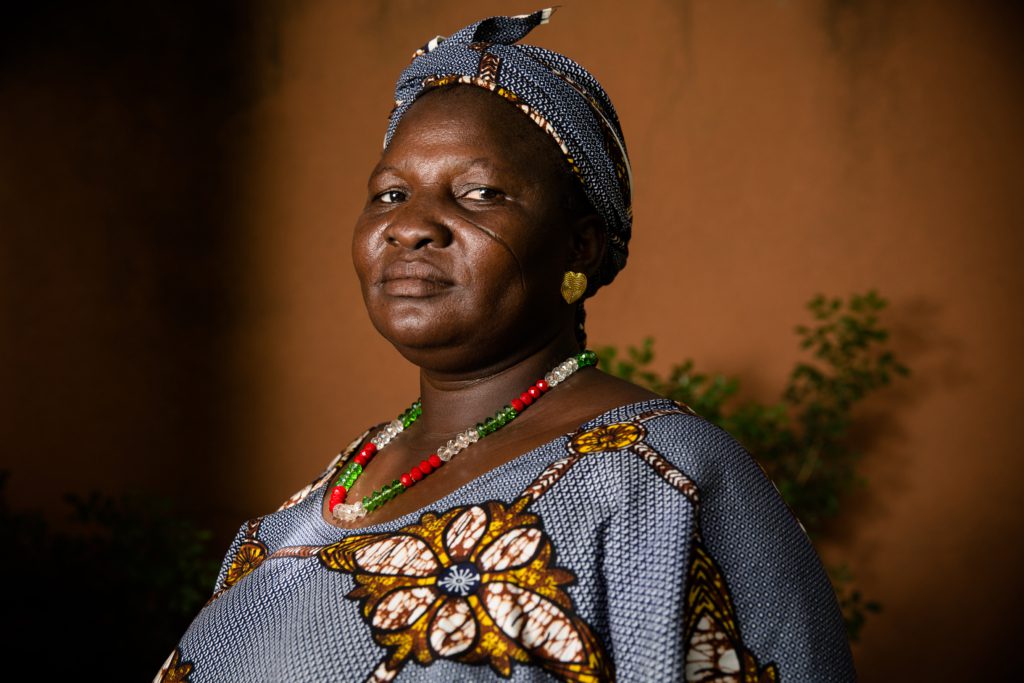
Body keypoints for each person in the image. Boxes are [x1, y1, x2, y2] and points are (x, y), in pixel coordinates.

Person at [159, 9, 855, 682]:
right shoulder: (320, 501)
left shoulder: (663, 481)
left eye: (479, 192)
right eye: (390, 193)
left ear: (578, 244)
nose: (412, 227)